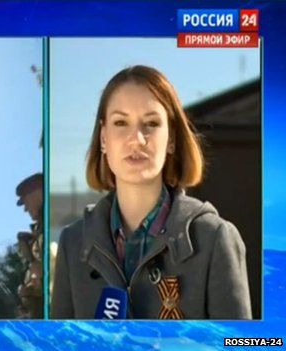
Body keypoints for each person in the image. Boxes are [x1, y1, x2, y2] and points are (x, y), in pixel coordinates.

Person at [51, 65, 252, 319]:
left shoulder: (214, 239)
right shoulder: (73, 243)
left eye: (151, 123)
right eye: (121, 122)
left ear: (171, 140)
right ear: (104, 138)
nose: (137, 139)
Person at [15, 173, 44, 319]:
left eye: (25, 201)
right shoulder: (39, 230)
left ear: (37, 193)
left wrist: (33, 291)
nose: (25, 209)